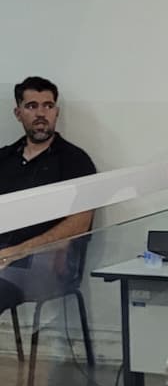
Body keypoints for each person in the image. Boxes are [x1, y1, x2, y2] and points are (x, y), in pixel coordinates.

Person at [0, 77, 96, 315]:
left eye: (48, 106)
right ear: (18, 113)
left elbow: (80, 223)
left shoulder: (75, 160)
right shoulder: (4, 159)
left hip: (44, 264)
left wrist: (17, 252)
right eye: (32, 106)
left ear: (56, 112)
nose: (41, 113)